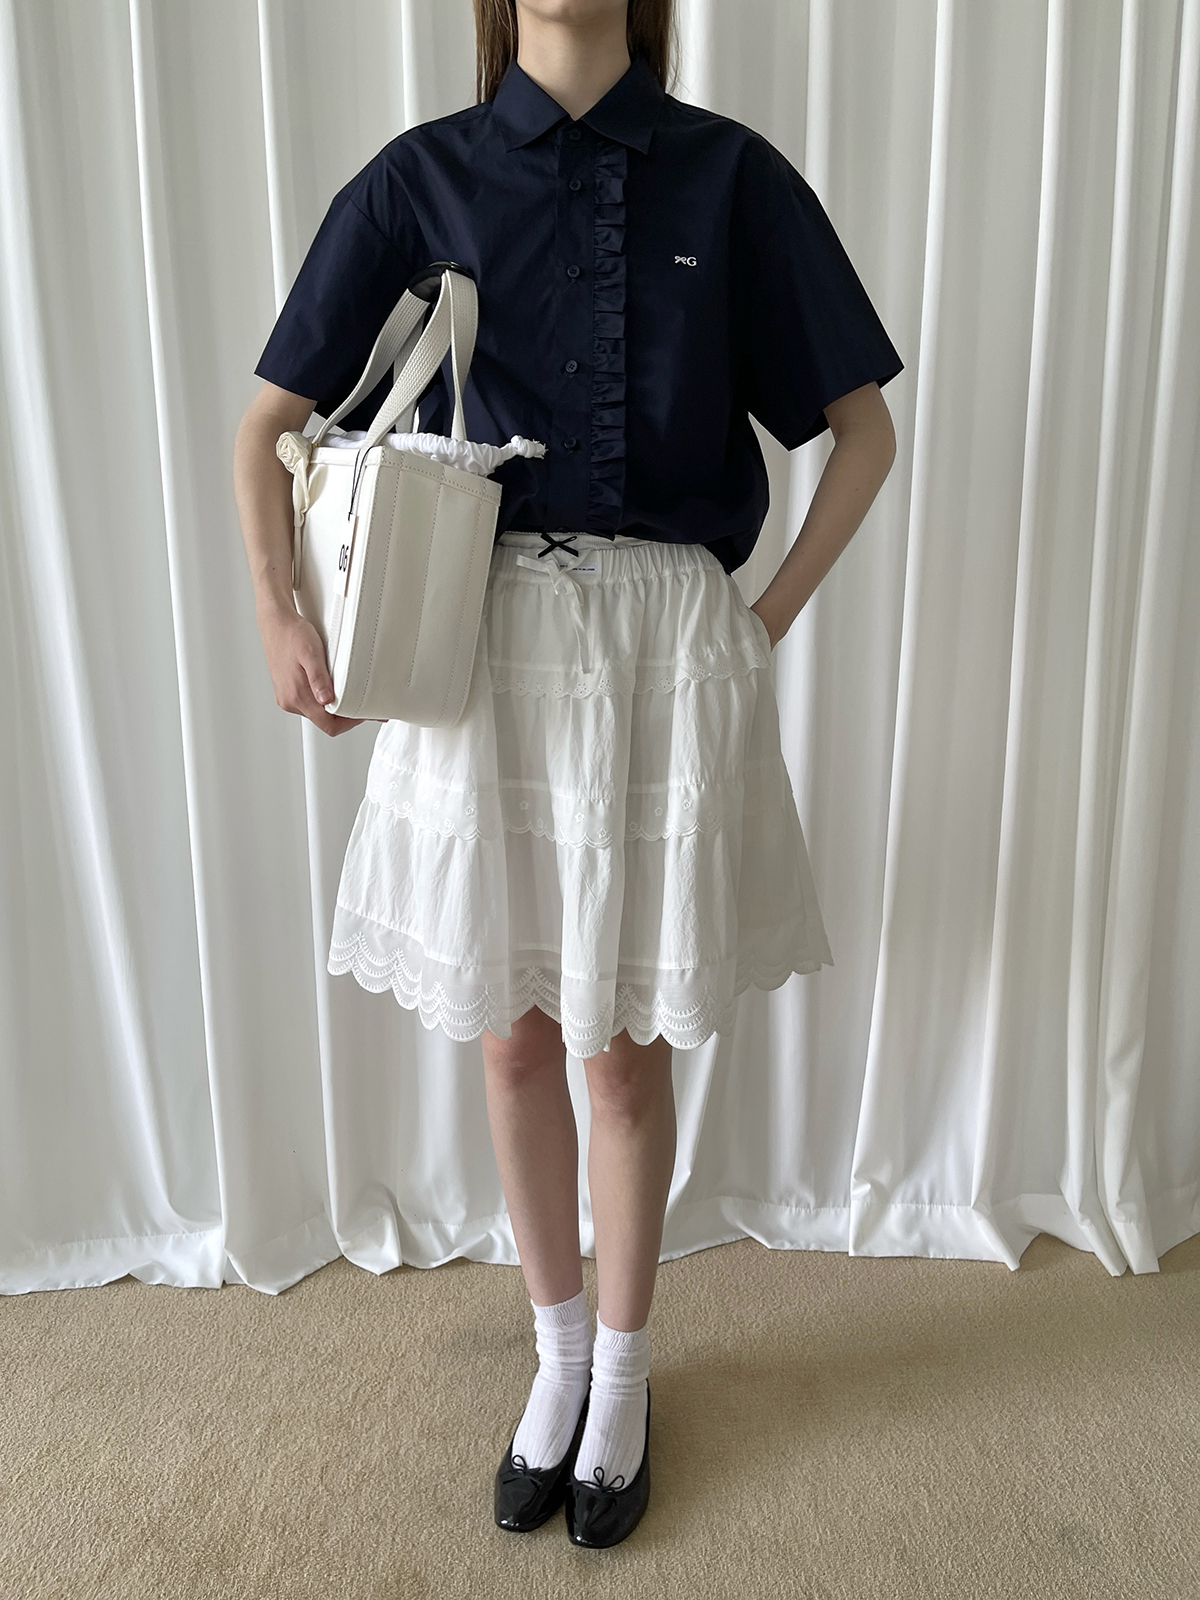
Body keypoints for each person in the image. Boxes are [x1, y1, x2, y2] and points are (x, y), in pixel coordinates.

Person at [232, 0, 902, 1550]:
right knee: (517, 1036)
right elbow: (270, 421)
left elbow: (861, 429)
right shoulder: (421, 179)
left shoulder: (732, 176)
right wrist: (280, 612)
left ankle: (625, 1372)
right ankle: (552, 1357)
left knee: (621, 1050)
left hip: (665, 648)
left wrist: (762, 618)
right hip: (485, 644)